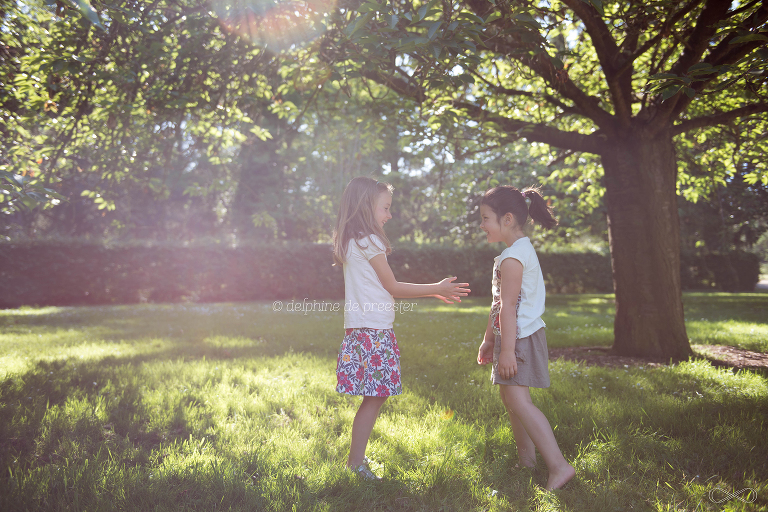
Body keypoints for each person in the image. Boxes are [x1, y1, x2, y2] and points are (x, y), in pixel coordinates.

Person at [332, 176, 470, 480]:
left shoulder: (352, 240)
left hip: (361, 330)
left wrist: (435, 291)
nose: (389, 215)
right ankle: (355, 463)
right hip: (374, 332)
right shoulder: (370, 240)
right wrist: (437, 287)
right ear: (368, 206)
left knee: (374, 397)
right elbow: (392, 286)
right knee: (375, 397)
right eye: (386, 208)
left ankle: (355, 460)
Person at [476, 185, 575, 491]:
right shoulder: (516, 251)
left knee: (519, 400)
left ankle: (559, 466)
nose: (481, 224)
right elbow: (499, 306)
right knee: (512, 399)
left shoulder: (512, 258)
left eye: (485, 218)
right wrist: (489, 340)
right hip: (513, 337)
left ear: (507, 219)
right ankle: (526, 460)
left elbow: (508, 309)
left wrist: (506, 350)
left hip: (518, 338)